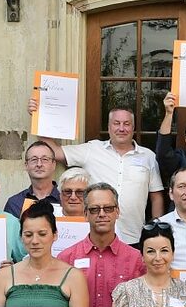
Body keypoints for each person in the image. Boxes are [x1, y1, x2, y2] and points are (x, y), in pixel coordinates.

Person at [32, 104, 165, 244]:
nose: (121, 128)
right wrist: (39, 116)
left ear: (133, 128)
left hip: (134, 237)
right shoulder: (92, 149)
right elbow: (54, 151)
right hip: (95, 236)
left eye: (126, 124)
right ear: (109, 127)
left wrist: (154, 230)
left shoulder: (148, 156)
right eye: (116, 123)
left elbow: (156, 197)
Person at [60, 183, 144, 307]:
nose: (102, 214)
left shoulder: (135, 259)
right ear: (85, 213)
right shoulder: (66, 258)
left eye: (108, 208)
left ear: (117, 212)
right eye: (95, 209)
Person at [4, 140, 60, 215]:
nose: (39, 164)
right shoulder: (15, 203)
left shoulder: (66, 199)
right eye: (34, 160)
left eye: (45, 159)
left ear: (54, 164)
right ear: (26, 165)